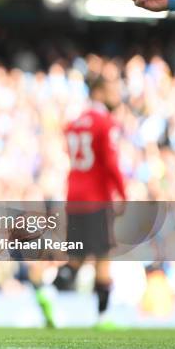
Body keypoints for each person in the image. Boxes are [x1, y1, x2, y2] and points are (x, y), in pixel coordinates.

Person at [39, 77, 127, 329]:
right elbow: (110, 163)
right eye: (112, 89)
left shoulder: (74, 123)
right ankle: (102, 317)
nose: (117, 94)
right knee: (103, 255)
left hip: (74, 195)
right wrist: (122, 193)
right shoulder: (105, 122)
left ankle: (50, 292)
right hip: (97, 197)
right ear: (99, 92)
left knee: (77, 257)